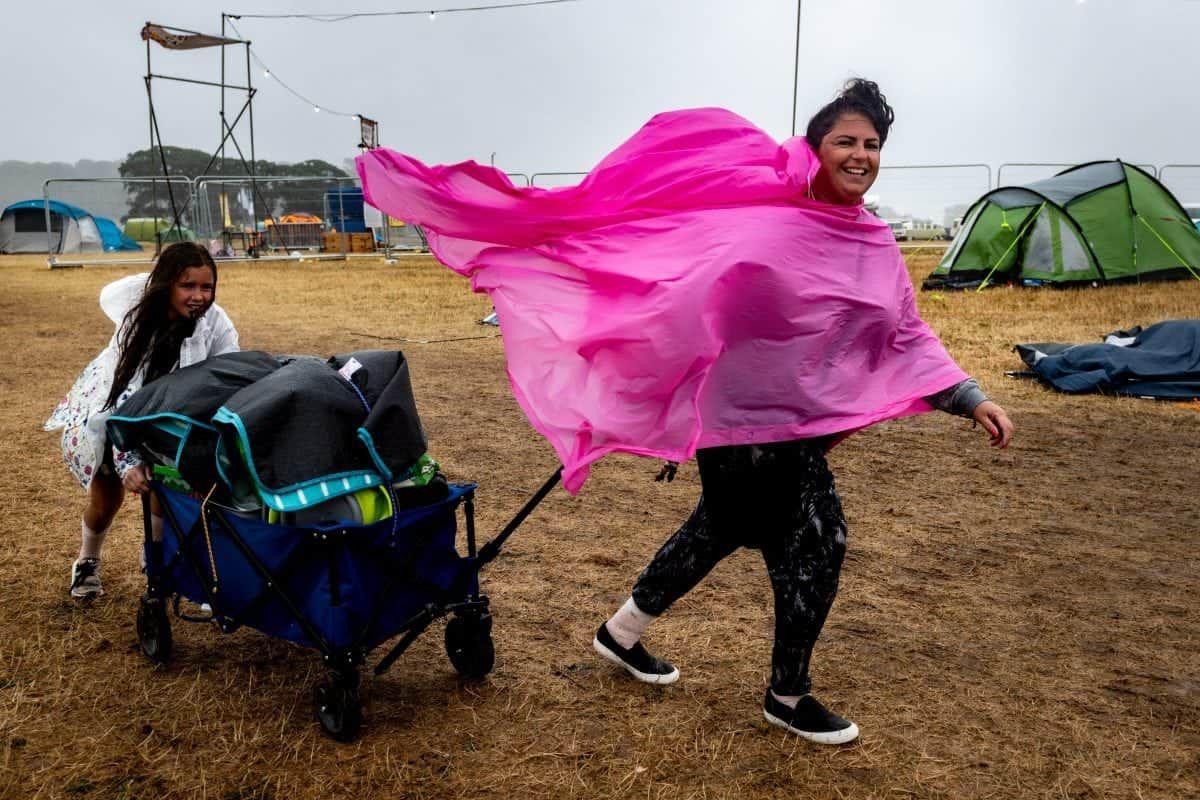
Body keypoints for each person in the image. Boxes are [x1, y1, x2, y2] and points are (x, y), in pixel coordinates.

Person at [590, 79, 1014, 745]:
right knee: (819, 538)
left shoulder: (872, 239)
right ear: (815, 149)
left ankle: (621, 632)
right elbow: (702, 285)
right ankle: (787, 696)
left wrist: (967, 395)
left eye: (872, 144)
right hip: (741, 416)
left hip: (794, 422)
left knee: (721, 526)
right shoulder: (767, 218)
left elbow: (906, 331)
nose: (860, 154)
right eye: (845, 140)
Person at [45, 242, 239, 600]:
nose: (198, 296)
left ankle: (155, 560)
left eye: (206, 287)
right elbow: (119, 398)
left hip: (166, 417)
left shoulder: (215, 322)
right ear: (167, 285)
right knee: (106, 502)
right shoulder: (136, 325)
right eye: (187, 286)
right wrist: (128, 460)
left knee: (161, 490)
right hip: (107, 418)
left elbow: (228, 375)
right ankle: (87, 560)